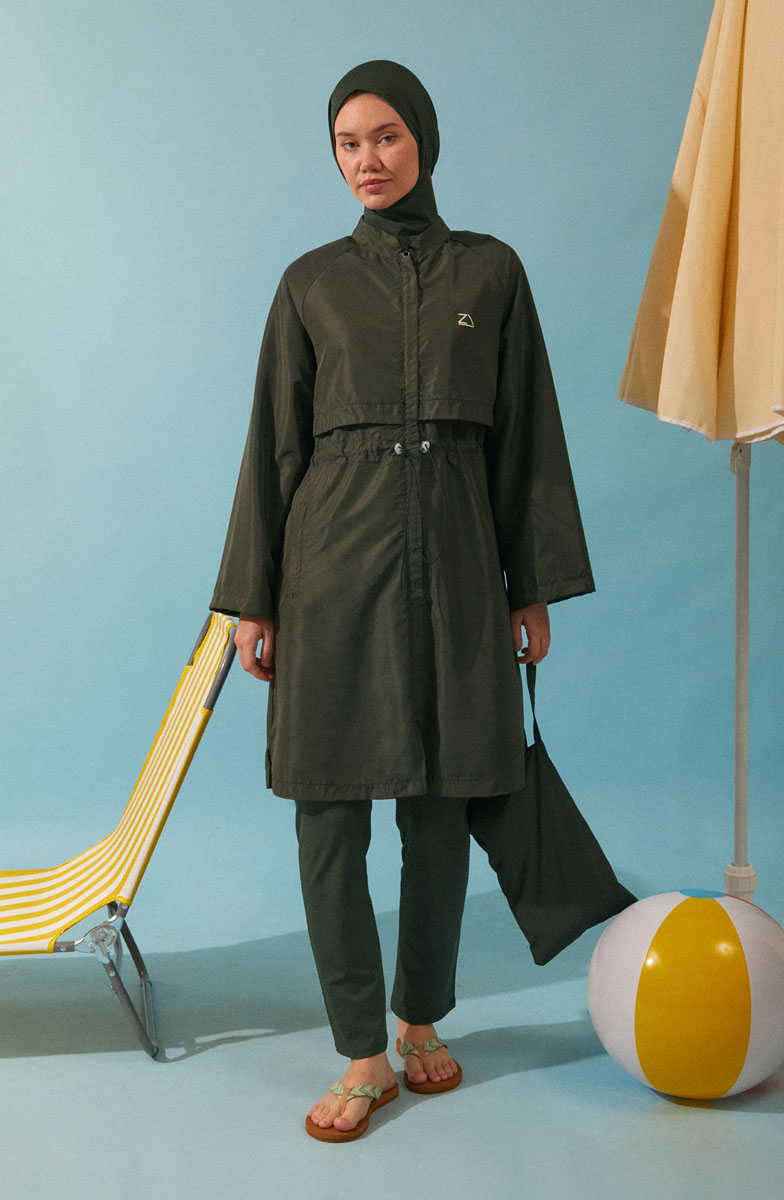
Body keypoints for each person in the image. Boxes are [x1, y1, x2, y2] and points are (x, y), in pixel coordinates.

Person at [211, 60, 594, 1142]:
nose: (366, 160)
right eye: (347, 143)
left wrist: (531, 588)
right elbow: (273, 445)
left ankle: (420, 1018)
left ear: (422, 138)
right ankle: (361, 1053)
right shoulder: (310, 283)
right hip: (331, 572)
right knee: (328, 814)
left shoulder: (492, 272)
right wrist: (253, 600)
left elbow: (527, 439)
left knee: (440, 806)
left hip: (461, 572)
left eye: (384, 136)